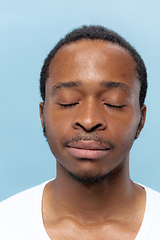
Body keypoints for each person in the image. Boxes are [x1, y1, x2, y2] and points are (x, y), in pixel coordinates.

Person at [0, 25, 160, 240]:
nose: (89, 120)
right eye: (68, 102)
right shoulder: (6, 225)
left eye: (113, 103)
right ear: (42, 115)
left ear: (141, 120)